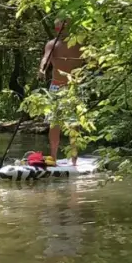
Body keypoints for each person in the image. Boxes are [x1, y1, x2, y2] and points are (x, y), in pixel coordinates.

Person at [38, 17, 85, 164]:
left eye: (64, 27)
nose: (61, 30)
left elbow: (91, 61)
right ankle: (53, 157)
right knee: (54, 123)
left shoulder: (79, 44)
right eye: (58, 28)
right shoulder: (52, 44)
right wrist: (42, 69)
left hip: (74, 88)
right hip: (56, 87)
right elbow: (45, 58)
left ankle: (74, 159)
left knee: (74, 124)